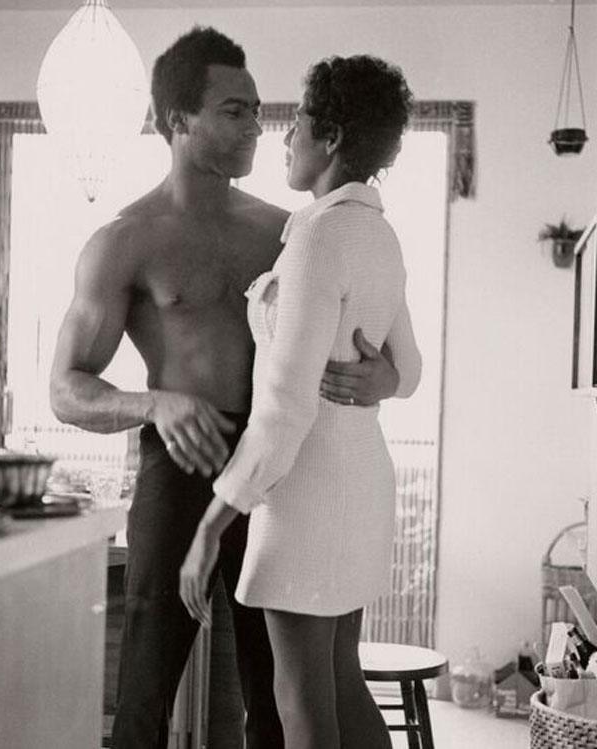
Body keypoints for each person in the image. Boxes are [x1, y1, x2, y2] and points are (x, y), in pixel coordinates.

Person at [49, 26, 400, 749]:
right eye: (234, 110)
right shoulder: (124, 240)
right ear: (178, 121)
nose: (257, 123)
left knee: (278, 699)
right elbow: (64, 388)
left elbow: (386, 345)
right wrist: (154, 402)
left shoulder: (291, 231)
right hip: (177, 470)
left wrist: (384, 376)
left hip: (283, 474)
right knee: (143, 696)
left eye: (259, 109)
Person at [180, 54, 422, 749]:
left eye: (299, 122)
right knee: (342, 687)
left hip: (309, 497)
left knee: (302, 703)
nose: (284, 137)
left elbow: (284, 411)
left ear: (334, 136)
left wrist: (208, 529)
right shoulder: (378, 232)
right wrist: (380, 382)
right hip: (362, 486)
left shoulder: (319, 235)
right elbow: (410, 369)